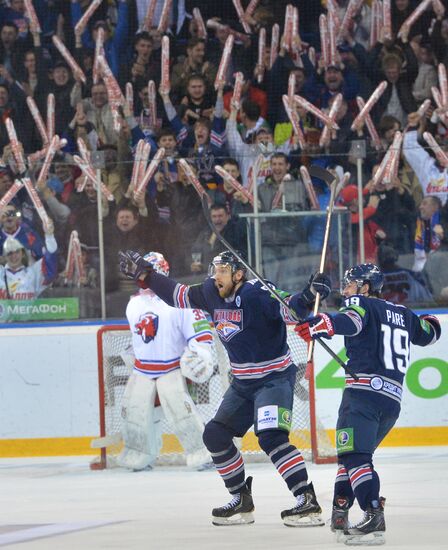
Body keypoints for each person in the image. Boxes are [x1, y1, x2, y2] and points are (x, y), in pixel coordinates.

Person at [118, 248, 332, 527]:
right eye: (213, 270)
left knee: (270, 437)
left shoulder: (259, 292)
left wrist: (308, 295)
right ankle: (241, 500)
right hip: (243, 383)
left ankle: (307, 500)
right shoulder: (210, 292)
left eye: (221, 271)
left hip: (274, 378)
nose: (214, 276)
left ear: (239, 274)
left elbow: (290, 310)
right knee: (215, 436)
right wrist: (149, 275)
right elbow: (177, 295)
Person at [295, 263, 441, 545]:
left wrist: (324, 324)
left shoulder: (359, 303)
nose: (345, 290)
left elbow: (352, 320)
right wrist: (433, 321)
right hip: (391, 402)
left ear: (364, 287)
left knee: (356, 457)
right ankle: (340, 510)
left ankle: (373, 516)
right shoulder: (404, 313)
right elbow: (429, 333)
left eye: (350, 285)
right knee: (352, 455)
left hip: (362, 395)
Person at [117, 251, 215, 471]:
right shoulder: (133, 304)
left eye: (145, 272)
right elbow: (140, 336)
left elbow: (200, 333)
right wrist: (132, 351)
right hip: (142, 372)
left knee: (183, 416)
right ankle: (139, 456)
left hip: (171, 370)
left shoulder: (179, 300)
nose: (140, 277)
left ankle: (203, 454)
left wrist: (201, 352)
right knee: (135, 416)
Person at [0, 220, 58, 300]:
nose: (13, 256)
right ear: (4, 256)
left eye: (17, 252)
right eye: (10, 253)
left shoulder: (33, 273)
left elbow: (50, 261)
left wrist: (49, 236)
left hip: (29, 312)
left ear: (22, 253)